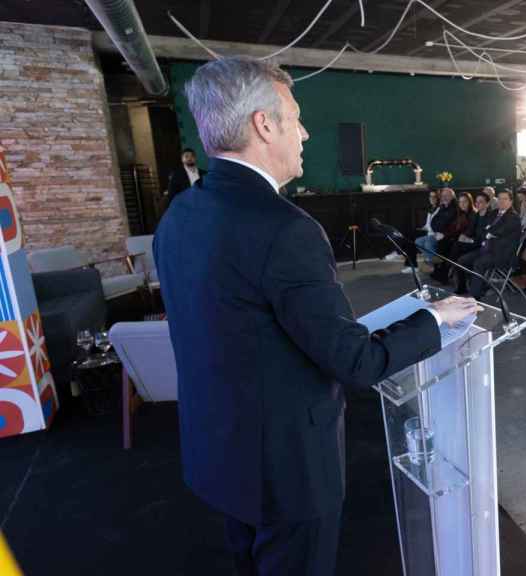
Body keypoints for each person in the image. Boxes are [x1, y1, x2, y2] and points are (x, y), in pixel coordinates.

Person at [154, 57, 479, 575]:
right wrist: (435, 320)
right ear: (264, 124)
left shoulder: (180, 213)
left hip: (218, 452)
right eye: (296, 116)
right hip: (285, 470)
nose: (304, 133)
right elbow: (355, 362)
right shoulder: (286, 229)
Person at [457, 189, 522, 298]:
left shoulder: (514, 217)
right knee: (463, 260)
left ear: (511, 201)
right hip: (487, 249)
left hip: (503, 254)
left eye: (505, 199)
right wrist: (489, 232)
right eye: (500, 198)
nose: (501, 201)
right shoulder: (494, 213)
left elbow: (498, 231)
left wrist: (489, 231)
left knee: (479, 263)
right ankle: (481, 286)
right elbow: (484, 230)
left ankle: (474, 297)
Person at [435, 191, 491, 284]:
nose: (462, 204)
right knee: (446, 244)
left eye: (465, 201)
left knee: (454, 246)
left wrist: (465, 237)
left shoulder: (475, 214)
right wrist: (460, 236)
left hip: (478, 244)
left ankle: (444, 272)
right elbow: (457, 228)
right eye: (460, 202)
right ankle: (443, 271)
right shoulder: (461, 213)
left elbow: (475, 232)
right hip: (467, 240)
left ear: (470, 202)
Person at [413, 190, 441, 268]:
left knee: (428, 243)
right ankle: (431, 259)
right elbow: (428, 224)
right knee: (417, 241)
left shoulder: (440, 209)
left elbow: (438, 225)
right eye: (430, 196)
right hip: (429, 233)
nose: (432, 198)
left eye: (434, 197)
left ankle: (432, 262)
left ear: (438, 198)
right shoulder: (431, 208)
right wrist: (422, 228)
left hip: (436, 234)